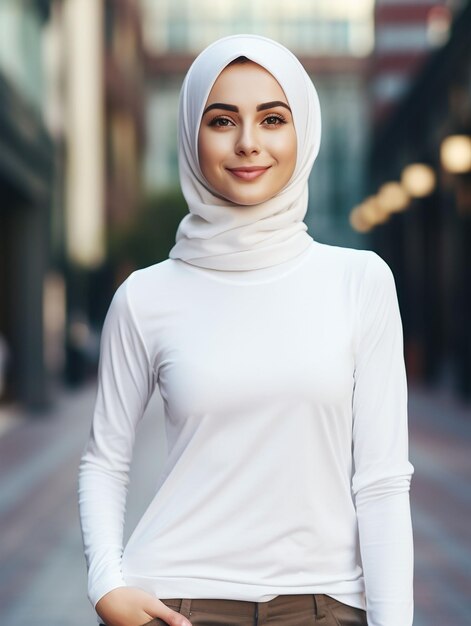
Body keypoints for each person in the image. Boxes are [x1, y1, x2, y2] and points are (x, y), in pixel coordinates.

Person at [77, 34, 415, 626]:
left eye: (273, 118)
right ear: (191, 135)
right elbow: (105, 460)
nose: (248, 143)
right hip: (176, 601)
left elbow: (382, 483)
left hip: (326, 604)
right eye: (222, 120)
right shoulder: (144, 297)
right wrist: (106, 583)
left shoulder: (360, 281)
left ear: (302, 131)